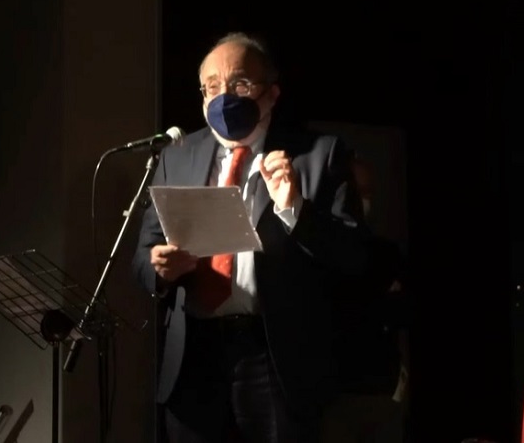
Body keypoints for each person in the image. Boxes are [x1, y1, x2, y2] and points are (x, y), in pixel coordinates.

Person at [131, 31, 373, 443]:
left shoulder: (318, 155)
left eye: (240, 84)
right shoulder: (176, 156)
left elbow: (354, 258)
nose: (224, 98)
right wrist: (158, 267)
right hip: (195, 359)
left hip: (276, 359)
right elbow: (141, 258)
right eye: (212, 87)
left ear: (272, 93)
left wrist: (295, 208)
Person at [320, 155, 411, 443]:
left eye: (369, 192)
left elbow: (400, 312)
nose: (364, 200)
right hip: (333, 395)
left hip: (381, 392)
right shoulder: (318, 253)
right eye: (357, 192)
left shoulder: (386, 252)